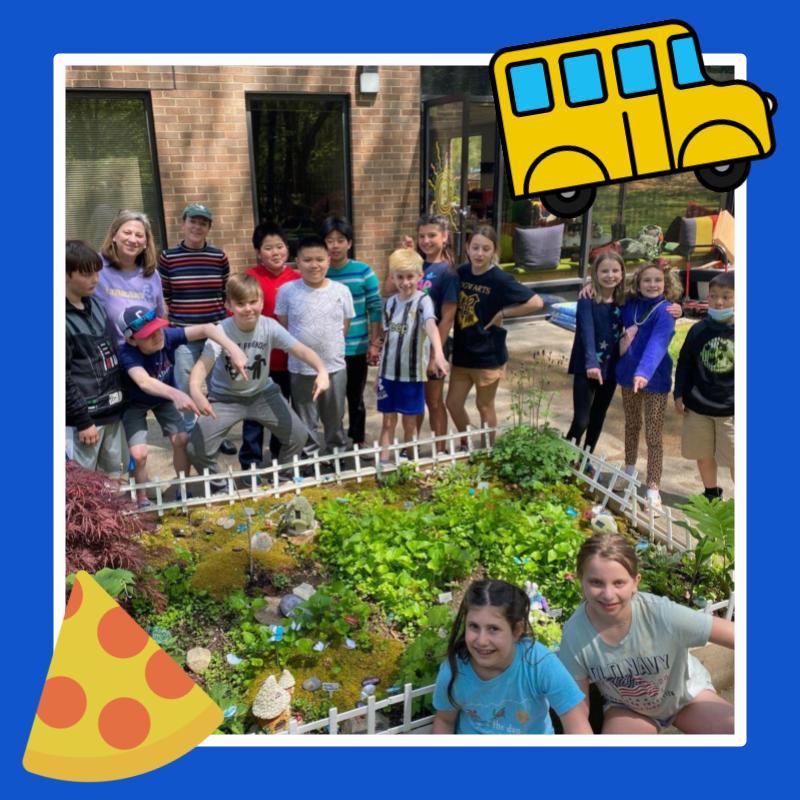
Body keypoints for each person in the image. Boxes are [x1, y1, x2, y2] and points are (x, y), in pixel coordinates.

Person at [558, 533, 734, 734]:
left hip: (687, 696)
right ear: (580, 580)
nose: (608, 595)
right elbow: (577, 710)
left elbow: (731, 633)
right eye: (596, 583)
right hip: (628, 709)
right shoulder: (575, 634)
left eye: (618, 583)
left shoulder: (660, 613)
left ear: (635, 582)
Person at [187, 275, 329, 483]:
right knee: (195, 450)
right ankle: (219, 486)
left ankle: (281, 476)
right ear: (229, 305)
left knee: (298, 437)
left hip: (263, 394)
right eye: (241, 304)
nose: (248, 309)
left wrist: (322, 370)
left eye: (253, 302)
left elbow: (301, 350)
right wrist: (196, 391)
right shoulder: (221, 331)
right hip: (225, 399)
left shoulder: (269, 326)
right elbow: (202, 366)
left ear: (262, 301)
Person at [117, 305, 247, 507]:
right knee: (139, 454)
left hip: (163, 400)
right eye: (148, 334)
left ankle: (183, 489)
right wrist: (176, 393)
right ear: (131, 340)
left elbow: (207, 328)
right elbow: (144, 381)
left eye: (157, 329)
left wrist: (233, 348)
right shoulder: (126, 353)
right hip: (134, 404)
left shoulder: (166, 336)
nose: (157, 336)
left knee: (182, 439)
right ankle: (140, 497)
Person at [432, 579, 592, 734]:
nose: (481, 641)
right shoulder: (455, 669)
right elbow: (445, 720)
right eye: (474, 627)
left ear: (516, 631)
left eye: (493, 629)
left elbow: (577, 724)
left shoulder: (539, 663)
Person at [446, 225, 542, 445]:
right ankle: (467, 441)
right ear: (468, 248)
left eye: (486, 249)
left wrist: (503, 312)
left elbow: (536, 302)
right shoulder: (460, 273)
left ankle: (486, 450)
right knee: (452, 403)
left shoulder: (500, 279)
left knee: (484, 405)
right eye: (476, 247)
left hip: (488, 355)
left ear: (494, 251)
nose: (480, 254)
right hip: (462, 353)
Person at [275, 235, 354, 456]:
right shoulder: (287, 291)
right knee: (305, 418)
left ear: (328, 260)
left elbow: (344, 326)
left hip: (334, 367)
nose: (314, 265)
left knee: (335, 415)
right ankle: (309, 457)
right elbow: (285, 326)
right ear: (297, 262)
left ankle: (336, 453)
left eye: (319, 259)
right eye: (307, 260)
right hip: (301, 368)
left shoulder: (341, 291)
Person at [157, 203, 230, 438]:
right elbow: (165, 295)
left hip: (216, 334)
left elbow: (224, 292)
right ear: (183, 223)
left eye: (203, 223)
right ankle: (193, 432)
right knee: (189, 385)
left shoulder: (219, 256)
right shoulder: (168, 257)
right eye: (193, 221)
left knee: (217, 387)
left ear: (209, 227)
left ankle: (218, 433)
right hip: (184, 335)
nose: (197, 227)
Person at [616, 260, 682, 511]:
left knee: (653, 434)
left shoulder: (667, 311)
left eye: (658, 280)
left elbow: (658, 342)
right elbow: (609, 298)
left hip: (655, 380)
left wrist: (643, 372)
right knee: (631, 425)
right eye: (647, 280)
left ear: (665, 284)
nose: (652, 284)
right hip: (626, 377)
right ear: (638, 283)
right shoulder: (630, 306)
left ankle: (653, 486)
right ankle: (629, 470)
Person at [376, 249, 449, 464]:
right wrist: (379, 373)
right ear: (392, 277)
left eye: (410, 277)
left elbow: (431, 325)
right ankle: (384, 460)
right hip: (388, 373)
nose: (405, 282)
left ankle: (410, 458)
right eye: (400, 277)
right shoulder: (389, 303)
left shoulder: (423, 301)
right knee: (387, 421)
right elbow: (388, 339)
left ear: (419, 276)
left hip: (412, 374)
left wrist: (439, 353)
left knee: (409, 422)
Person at [241, 222, 301, 468]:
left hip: (291, 360)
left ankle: (278, 453)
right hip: (259, 358)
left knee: (284, 410)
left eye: (280, 246)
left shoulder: (298, 278)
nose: (276, 252)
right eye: (268, 248)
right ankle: (250, 460)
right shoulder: (249, 278)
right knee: (254, 411)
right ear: (258, 252)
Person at [66, 240, 126, 476]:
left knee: (115, 481)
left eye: (97, 272)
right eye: (86, 273)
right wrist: (82, 420)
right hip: (84, 423)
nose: (95, 279)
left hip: (112, 413)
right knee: (84, 488)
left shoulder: (97, 306)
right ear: (66, 275)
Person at [321, 217, 383, 447]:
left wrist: (374, 343)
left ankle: (358, 439)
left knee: (355, 398)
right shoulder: (320, 273)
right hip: (327, 349)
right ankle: (334, 440)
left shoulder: (363, 271)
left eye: (340, 240)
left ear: (349, 243)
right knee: (330, 400)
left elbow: (375, 307)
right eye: (329, 240)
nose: (334, 245)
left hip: (356, 346)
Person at [674, 272, 735, 500]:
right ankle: (711, 493)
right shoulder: (698, 330)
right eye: (713, 296)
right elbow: (684, 363)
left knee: (736, 458)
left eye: (726, 297)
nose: (719, 302)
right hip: (698, 407)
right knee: (703, 454)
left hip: (731, 411)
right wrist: (678, 393)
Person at [405, 214, 459, 453]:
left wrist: (436, 353)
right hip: (409, 345)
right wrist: (404, 256)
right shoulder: (414, 266)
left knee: (434, 401)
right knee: (412, 402)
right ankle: (411, 448)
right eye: (422, 236)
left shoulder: (447, 272)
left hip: (432, 346)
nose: (426, 240)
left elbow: (448, 317)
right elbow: (388, 289)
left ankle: (440, 449)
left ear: (445, 237)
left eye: (432, 235)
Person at [565, 252, 625, 454]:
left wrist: (677, 308)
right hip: (587, 365)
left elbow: (652, 295)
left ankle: (586, 459)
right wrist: (591, 363)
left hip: (611, 367)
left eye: (615, 270)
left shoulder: (624, 300)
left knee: (598, 417)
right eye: (604, 271)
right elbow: (586, 331)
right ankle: (565, 459)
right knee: (582, 419)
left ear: (623, 273)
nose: (610, 275)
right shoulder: (587, 299)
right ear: (595, 273)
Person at [95, 210, 166, 345]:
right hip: (107, 359)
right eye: (127, 233)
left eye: (139, 235)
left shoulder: (151, 274)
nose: (133, 240)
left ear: (145, 243)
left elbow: (159, 316)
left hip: (144, 357)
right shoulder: (96, 267)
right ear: (114, 236)